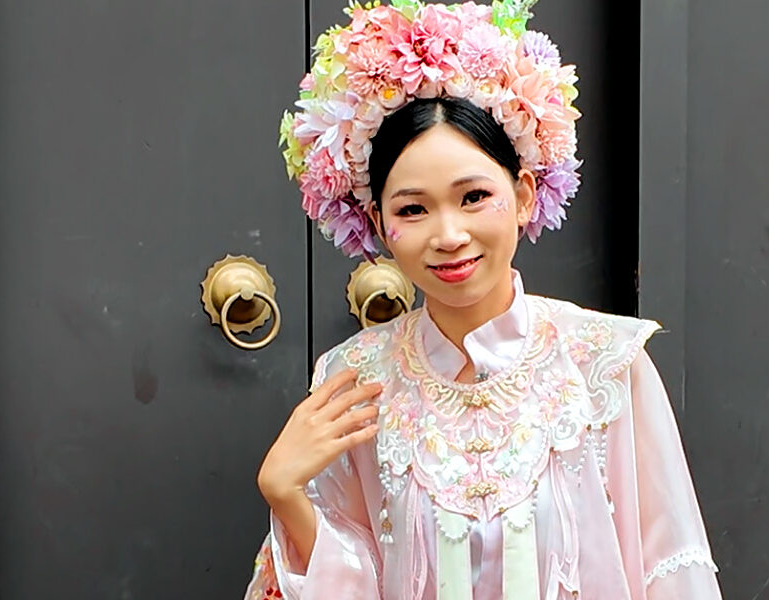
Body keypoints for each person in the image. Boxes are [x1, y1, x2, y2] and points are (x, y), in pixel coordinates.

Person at [244, 2, 721, 598]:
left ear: (522, 195)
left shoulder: (604, 364)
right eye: (412, 209)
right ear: (377, 221)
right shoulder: (355, 382)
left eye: (473, 197)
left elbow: (670, 567)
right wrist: (285, 494)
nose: (448, 235)